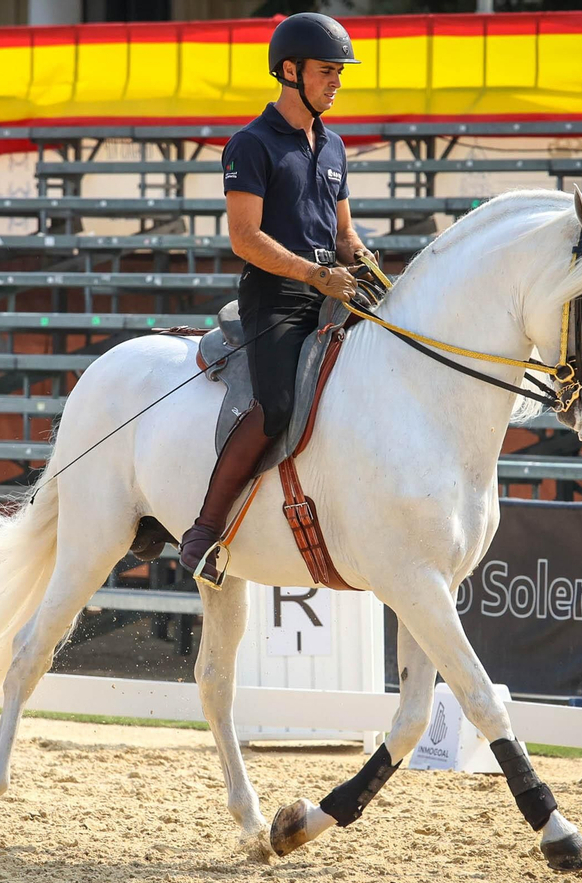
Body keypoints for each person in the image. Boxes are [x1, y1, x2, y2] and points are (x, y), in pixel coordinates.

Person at [178, 12, 376, 583]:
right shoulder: (251, 144)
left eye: (339, 72)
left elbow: (343, 235)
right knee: (277, 409)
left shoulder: (334, 145)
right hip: (277, 299)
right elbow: (245, 238)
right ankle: (204, 531)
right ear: (289, 71)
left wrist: (366, 265)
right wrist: (316, 277)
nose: (336, 82)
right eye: (326, 72)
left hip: (330, 290)